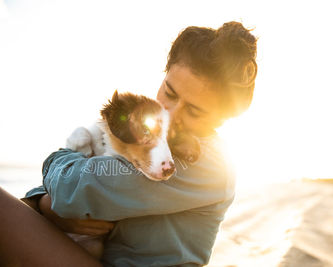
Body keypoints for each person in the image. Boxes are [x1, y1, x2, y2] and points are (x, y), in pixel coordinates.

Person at [0, 21, 257, 266]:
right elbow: (83, 181)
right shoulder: (153, 139)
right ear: (164, 73)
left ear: (224, 117)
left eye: (194, 111)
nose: (171, 115)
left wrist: (47, 197)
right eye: (169, 92)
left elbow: (70, 190)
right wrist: (47, 202)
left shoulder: (200, 162)